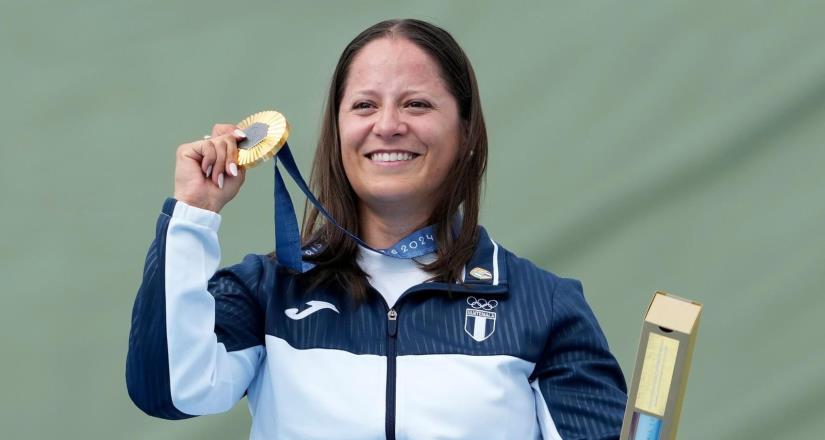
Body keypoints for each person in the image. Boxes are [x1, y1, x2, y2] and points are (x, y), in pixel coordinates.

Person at [126, 18, 627, 439]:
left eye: (417, 104)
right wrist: (194, 213)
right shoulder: (269, 292)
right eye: (364, 105)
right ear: (338, 131)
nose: (387, 125)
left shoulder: (545, 308)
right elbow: (170, 390)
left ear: (467, 132)